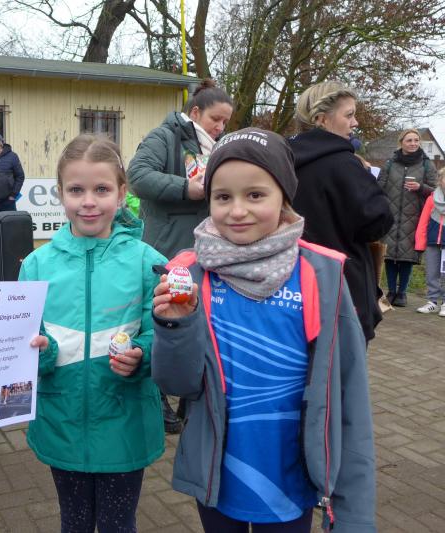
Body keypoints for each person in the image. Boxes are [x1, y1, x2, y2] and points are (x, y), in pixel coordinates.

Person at [151, 128, 376, 533]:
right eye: (223, 197)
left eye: (255, 195)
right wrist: (175, 326)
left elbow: (350, 397)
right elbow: (177, 385)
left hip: (292, 479)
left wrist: (354, 515)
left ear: (284, 198)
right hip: (217, 480)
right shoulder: (190, 272)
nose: (237, 210)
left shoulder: (322, 273)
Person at [21, 134, 166, 533]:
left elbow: (166, 333)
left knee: (118, 525)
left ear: (121, 193)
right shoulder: (36, 265)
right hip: (61, 423)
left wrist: (142, 354)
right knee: (74, 523)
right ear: (60, 193)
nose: (88, 201)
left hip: (125, 424)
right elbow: (24, 345)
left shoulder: (149, 263)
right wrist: (41, 352)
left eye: (101, 189)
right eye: (76, 190)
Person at [128, 78, 234, 434]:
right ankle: (157, 396)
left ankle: (192, 397)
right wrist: (188, 188)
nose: (220, 127)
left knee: (197, 320)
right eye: (215, 119)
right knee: (162, 317)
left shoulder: (218, 148)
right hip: (168, 246)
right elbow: (138, 176)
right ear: (196, 112)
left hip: (205, 250)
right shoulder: (164, 136)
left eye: (225, 122)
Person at [289, 81, 393, 342]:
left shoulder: (282, 160)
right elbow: (378, 221)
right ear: (322, 119)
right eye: (349, 115)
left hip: (291, 284)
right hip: (342, 288)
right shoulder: (346, 165)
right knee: (344, 364)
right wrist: (367, 181)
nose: (355, 122)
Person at [377, 128, 438, 307]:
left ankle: (402, 292)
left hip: (414, 216)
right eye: (409, 140)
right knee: (389, 255)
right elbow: (379, 187)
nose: (413, 143)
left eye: (416, 140)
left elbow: (436, 191)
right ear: (401, 142)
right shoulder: (390, 163)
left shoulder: (427, 165)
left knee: (407, 257)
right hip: (390, 215)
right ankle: (391, 292)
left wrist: (420, 187)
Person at [413, 167, 445, 315]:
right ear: (440, 180)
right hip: (432, 242)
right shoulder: (431, 199)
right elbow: (423, 222)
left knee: (444, 274)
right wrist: (420, 243)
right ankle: (432, 301)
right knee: (431, 272)